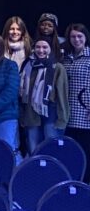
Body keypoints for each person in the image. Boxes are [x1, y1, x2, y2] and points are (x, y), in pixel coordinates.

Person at [20, 37, 69, 153]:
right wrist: (22, 115)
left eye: (44, 47)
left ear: (50, 49)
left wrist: (63, 118)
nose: (41, 50)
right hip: (31, 113)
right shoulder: (28, 66)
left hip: (51, 112)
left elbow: (62, 95)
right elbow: (23, 95)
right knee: (33, 148)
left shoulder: (57, 67)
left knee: (51, 147)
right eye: (38, 47)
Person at [63, 23, 90, 181]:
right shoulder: (66, 58)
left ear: (85, 37)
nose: (76, 39)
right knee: (72, 151)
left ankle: (85, 184)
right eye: (73, 36)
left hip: (85, 113)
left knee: (86, 151)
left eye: (79, 36)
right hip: (68, 113)